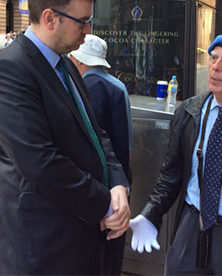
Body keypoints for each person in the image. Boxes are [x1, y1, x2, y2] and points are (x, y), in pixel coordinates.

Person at [0, 0, 130, 275]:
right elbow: (40, 163)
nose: (88, 30)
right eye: (82, 21)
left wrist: (118, 184)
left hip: (78, 239)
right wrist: (104, 204)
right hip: (42, 248)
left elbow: (94, 133)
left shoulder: (66, 65)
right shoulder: (9, 69)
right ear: (50, 18)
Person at [129, 31, 222, 275]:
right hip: (192, 226)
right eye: (214, 59)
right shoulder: (190, 112)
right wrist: (151, 213)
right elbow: (171, 173)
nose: (215, 68)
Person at [70, 34, 133, 275]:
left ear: (79, 62)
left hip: (100, 186)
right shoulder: (117, 85)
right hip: (121, 180)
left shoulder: (87, 87)